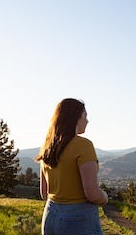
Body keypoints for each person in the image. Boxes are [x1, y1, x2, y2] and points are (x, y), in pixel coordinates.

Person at [35, 98, 108, 235]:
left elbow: (44, 193)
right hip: (78, 218)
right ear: (75, 118)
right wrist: (104, 196)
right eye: (85, 116)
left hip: (50, 215)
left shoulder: (48, 147)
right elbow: (92, 194)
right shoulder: (83, 145)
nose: (87, 121)